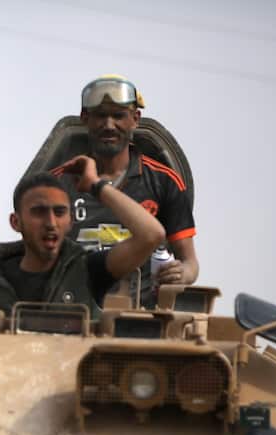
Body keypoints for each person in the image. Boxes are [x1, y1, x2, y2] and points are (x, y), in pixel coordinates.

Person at [53, 75, 198, 300]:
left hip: (143, 311)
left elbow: (190, 262)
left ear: (135, 119)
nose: (109, 125)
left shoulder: (164, 182)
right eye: (100, 115)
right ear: (85, 118)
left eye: (118, 116)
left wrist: (182, 273)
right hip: (73, 306)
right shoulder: (58, 183)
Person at [0, 163, 164, 316]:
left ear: (70, 221)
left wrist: (96, 185)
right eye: (39, 212)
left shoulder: (86, 270)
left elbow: (151, 235)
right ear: (16, 222)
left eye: (59, 212)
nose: (51, 223)